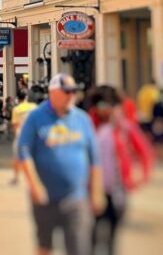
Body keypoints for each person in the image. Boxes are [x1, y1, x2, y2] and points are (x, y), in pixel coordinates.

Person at [17, 73, 103, 255]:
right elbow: (24, 152)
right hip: (45, 199)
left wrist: (96, 192)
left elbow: (94, 158)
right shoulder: (36, 118)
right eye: (67, 92)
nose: (71, 95)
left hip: (76, 199)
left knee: (79, 248)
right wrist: (35, 186)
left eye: (73, 92)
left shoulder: (82, 119)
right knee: (44, 247)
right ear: (53, 93)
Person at [89, 86, 152, 255]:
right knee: (92, 235)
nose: (105, 109)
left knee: (112, 237)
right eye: (101, 104)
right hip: (93, 191)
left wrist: (142, 176)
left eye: (109, 104)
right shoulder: (88, 126)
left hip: (117, 191)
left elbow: (144, 150)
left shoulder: (123, 127)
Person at [10, 89, 37, 184]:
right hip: (34, 135)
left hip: (21, 135)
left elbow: (15, 125)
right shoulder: (34, 107)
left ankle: (16, 177)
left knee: (17, 157)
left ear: (18, 99)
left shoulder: (16, 109)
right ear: (26, 98)